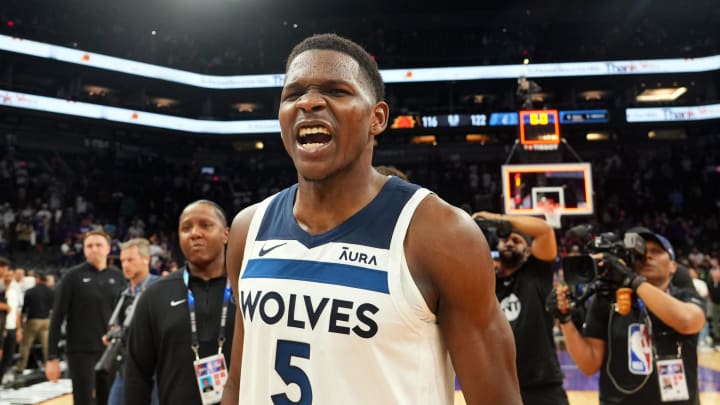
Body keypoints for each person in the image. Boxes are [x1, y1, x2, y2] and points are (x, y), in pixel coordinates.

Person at [221, 33, 520, 405]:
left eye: (336, 90)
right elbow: (237, 384)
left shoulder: (440, 235)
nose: (309, 102)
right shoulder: (248, 230)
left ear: (377, 118)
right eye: (293, 94)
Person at [551, 231, 706, 404]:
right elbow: (589, 365)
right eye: (640, 253)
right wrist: (564, 320)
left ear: (673, 266)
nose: (647, 256)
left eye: (656, 251)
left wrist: (631, 280)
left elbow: (687, 322)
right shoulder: (607, 300)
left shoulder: (684, 297)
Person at [124, 200, 236, 404]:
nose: (194, 233)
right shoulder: (155, 295)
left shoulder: (248, 289)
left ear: (226, 234)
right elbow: (137, 374)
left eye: (205, 225)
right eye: (186, 228)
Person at [472, 211, 568, 405]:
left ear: (528, 251)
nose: (508, 243)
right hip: (499, 387)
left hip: (543, 386)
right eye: (504, 239)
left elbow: (544, 231)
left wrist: (500, 220)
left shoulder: (537, 274)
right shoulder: (487, 281)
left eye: (516, 240)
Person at [46, 229, 126, 405]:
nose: (94, 249)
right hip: (80, 352)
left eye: (98, 245)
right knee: (83, 401)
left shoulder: (118, 276)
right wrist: (52, 357)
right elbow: (57, 317)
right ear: (83, 249)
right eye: (89, 245)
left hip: (110, 351)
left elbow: (124, 315)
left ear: (108, 249)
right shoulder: (72, 277)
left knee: (110, 400)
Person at [104, 238, 159, 405]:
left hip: (154, 370)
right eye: (122, 261)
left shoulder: (159, 288)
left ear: (146, 259)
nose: (125, 265)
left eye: (130, 260)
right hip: (125, 368)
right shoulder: (124, 294)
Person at [16, 272, 54, 374]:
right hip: (46, 320)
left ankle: (20, 367)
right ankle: (49, 367)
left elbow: (24, 309)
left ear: (37, 279)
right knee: (46, 346)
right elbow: (53, 307)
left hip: (33, 320)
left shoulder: (30, 291)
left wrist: (22, 322)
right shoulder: (51, 291)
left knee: (25, 345)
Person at [0, 264, 22, 380]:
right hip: (2, 327)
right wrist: (5, 307)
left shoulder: (14, 292)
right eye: (6, 275)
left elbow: (17, 312)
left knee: (8, 358)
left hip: (12, 327)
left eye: (10, 275)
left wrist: (19, 329)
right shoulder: (1, 290)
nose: (8, 277)